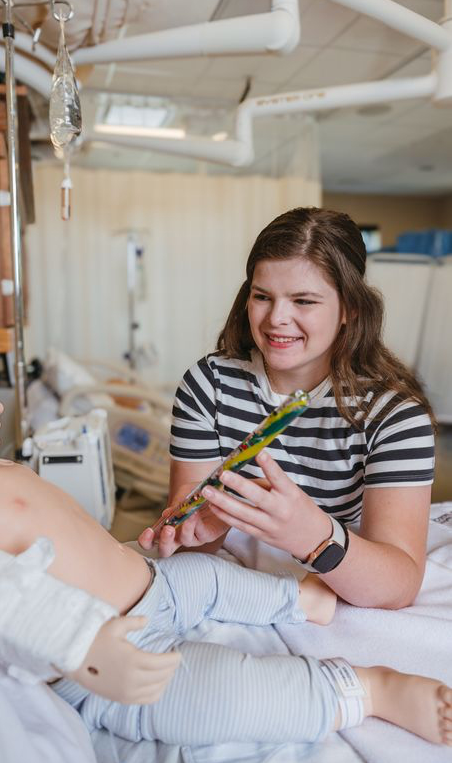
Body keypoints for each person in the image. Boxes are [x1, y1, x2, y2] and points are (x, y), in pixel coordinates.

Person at [0, 319, 451, 749]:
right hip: (115, 644)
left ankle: (297, 599)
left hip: (154, 581)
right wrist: (83, 648)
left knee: (213, 576)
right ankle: (367, 690)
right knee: (211, 696)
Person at [139, 207, 435, 611]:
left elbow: (398, 585)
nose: (277, 319)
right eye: (263, 297)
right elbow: (192, 547)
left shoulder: (394, 416)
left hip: (345, 582)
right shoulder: (208, 385)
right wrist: (209, 523)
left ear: (351, 309)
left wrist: (312, 535)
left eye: (303, 300)